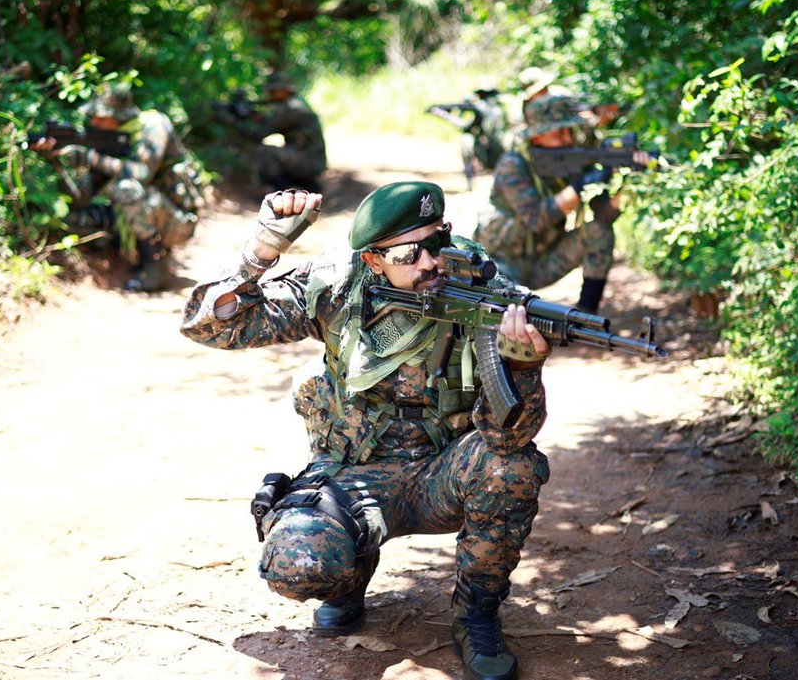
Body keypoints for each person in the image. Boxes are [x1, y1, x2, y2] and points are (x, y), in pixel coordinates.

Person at [180, 182, 552, 680]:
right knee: (297, 563)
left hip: (443, 474)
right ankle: (346, 578)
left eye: (437, 242)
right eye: (408, 253)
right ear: (374, 261)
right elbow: (213, 327)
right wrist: (264, 248)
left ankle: (477, 614)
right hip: (354, 475)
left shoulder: (483, 292)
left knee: (513, 467)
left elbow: (508, 437)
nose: (429, 263)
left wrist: (522, 366)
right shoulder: (336, 284)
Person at [473, 93, 637, 313]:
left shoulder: (570, 161)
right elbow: (535, 219)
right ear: (537, 137)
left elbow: (603, 216)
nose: (568, 138)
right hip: (501, 265)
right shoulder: (514, 164)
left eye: (570, 131)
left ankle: (586, 317)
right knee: (505, 312)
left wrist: (626, 189)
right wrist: (577, 187)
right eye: (559, 132)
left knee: (599, 232)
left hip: (545, 261)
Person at [33, 84, 203, 292]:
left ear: (119, 114)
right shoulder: (106, 140)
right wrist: (56, 163)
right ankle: (121, 256)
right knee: (75, 219)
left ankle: (155, 265)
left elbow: (142, 173)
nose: (94, 121)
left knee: (127, 188)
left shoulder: (153, 125)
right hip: (147, 215)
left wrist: (90, 157)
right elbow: (79, 199)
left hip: (178, 223)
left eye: (100, 116)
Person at [213, 71, 327, 191]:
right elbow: (272, 122)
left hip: (309, 161)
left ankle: (282, 190)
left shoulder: (292, 109)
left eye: (274, 90)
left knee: (263, 152)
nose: (270, 94)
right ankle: (299, 185)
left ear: (284, 90)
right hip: (309, 158)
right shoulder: (295, 104)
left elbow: (257, 135)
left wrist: (230, 120)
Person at [426, 87, 507, 190]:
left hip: (491, 148)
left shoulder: (483, 109)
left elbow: (465, 127)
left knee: (466, 141)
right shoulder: (499, 110)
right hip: (496, 146)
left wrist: (445, 115)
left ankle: (470, 181)